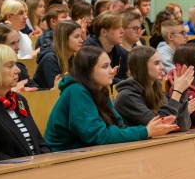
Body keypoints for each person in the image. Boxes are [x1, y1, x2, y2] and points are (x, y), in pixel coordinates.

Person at [44, 46, 179, 152]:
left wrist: (151, 127)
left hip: (88, 153)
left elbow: (117, 125)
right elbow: (97, 135)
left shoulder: (100, 90)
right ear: (88, 71)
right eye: (104, 67)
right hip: (63, 158)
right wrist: (145, 131)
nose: (111, 71)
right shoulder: (76, 90)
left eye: (109, 65)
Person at [0, 43, 51, 162]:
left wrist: (47, 160)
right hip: (10, 174)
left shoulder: (19, 99)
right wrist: (27, 164)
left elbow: (39, 142)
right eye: (10, 66)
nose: (17, 70)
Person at [114, 46, 192, 131]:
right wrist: (177, 92)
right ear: (141, 67)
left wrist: (182, 93)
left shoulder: (156, 90)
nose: (162, 67)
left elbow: (183, 126)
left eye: (161, 62)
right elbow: (160, 126)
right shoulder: (126, 97)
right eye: (156, 63)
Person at [0, 24, 40, 90]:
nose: (18, 48)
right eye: (13, 43)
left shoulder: (20, 68)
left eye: (18, 42)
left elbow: (36, 89)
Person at [83, 11, 129, 84]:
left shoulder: (121, 52)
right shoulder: (88, 51)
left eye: (122, 27)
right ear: (104, 32)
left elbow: (126, 77)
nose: (122, 31)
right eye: (117, 28)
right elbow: (92, 80)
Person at [33, 21, 83, 89]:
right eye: (77, 37)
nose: (81, 40)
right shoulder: (50, 59)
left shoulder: (73, 57)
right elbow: (56, 90)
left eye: (81, 36)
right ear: (64, 39)